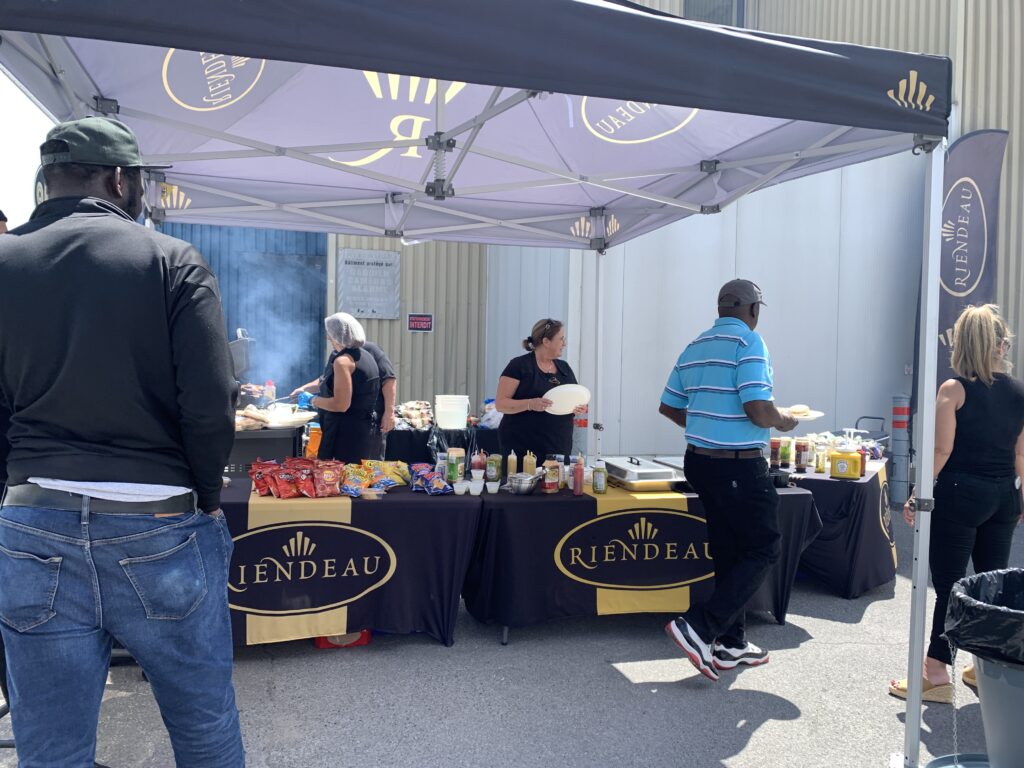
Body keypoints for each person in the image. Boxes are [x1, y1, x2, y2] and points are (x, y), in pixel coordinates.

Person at [0, 117, 244, 766]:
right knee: (204, 726)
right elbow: (210, 405)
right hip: (159, 522)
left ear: (48, 180)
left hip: (34, 518)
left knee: (51, 749)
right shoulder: (171, 261)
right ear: (118, 179)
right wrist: (208, 497)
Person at [659, 279, 797, 681]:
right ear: (753, 310)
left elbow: (669, 405)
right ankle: (700, 626)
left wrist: (704, 424)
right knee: (764, 547)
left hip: (700, 463)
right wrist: (785, 420)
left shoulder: (696, 345)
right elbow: (758, 409)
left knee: (729, 551)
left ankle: (731, 643)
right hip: (738, 465)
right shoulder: (749, 343)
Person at [889, 304, 1024, 703]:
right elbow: (1021, 455)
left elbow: (942, 450)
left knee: (949, 586)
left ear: (962, 344)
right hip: (1003, 496)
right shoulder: (1020, 393)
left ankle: (935, 672)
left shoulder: (953, 389)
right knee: (990, 586)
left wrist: (917, 494)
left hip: (960, 494)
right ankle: (985, 668)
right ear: (1000, 346)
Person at [293, 337, 396, 460]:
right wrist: (304, 389)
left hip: (364, 422)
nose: (330, 341)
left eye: (332, 338)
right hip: (337, 423)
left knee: (364, 464)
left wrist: (389, 412)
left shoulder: (370, 350)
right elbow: (325, 380)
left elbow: (389, 380)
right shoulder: (337, 354)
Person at [495, 318, 583, 461]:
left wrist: (578, 407)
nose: (564, 343)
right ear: (546, 341)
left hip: (558, 445)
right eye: (561, 339)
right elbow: (501, 404)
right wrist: (530, 404)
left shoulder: (564, 368)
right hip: (523, 448)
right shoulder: (518, 366)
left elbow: (573, 399)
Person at [307, 312, 381, 463]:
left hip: (344, 437)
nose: (328, 338)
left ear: (338, 335)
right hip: (363, 431)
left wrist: (313, 401)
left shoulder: (342, 362)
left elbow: (341, 405)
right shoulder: (366, 355)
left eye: (330, 334)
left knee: (335, 476)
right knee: (356, 476)